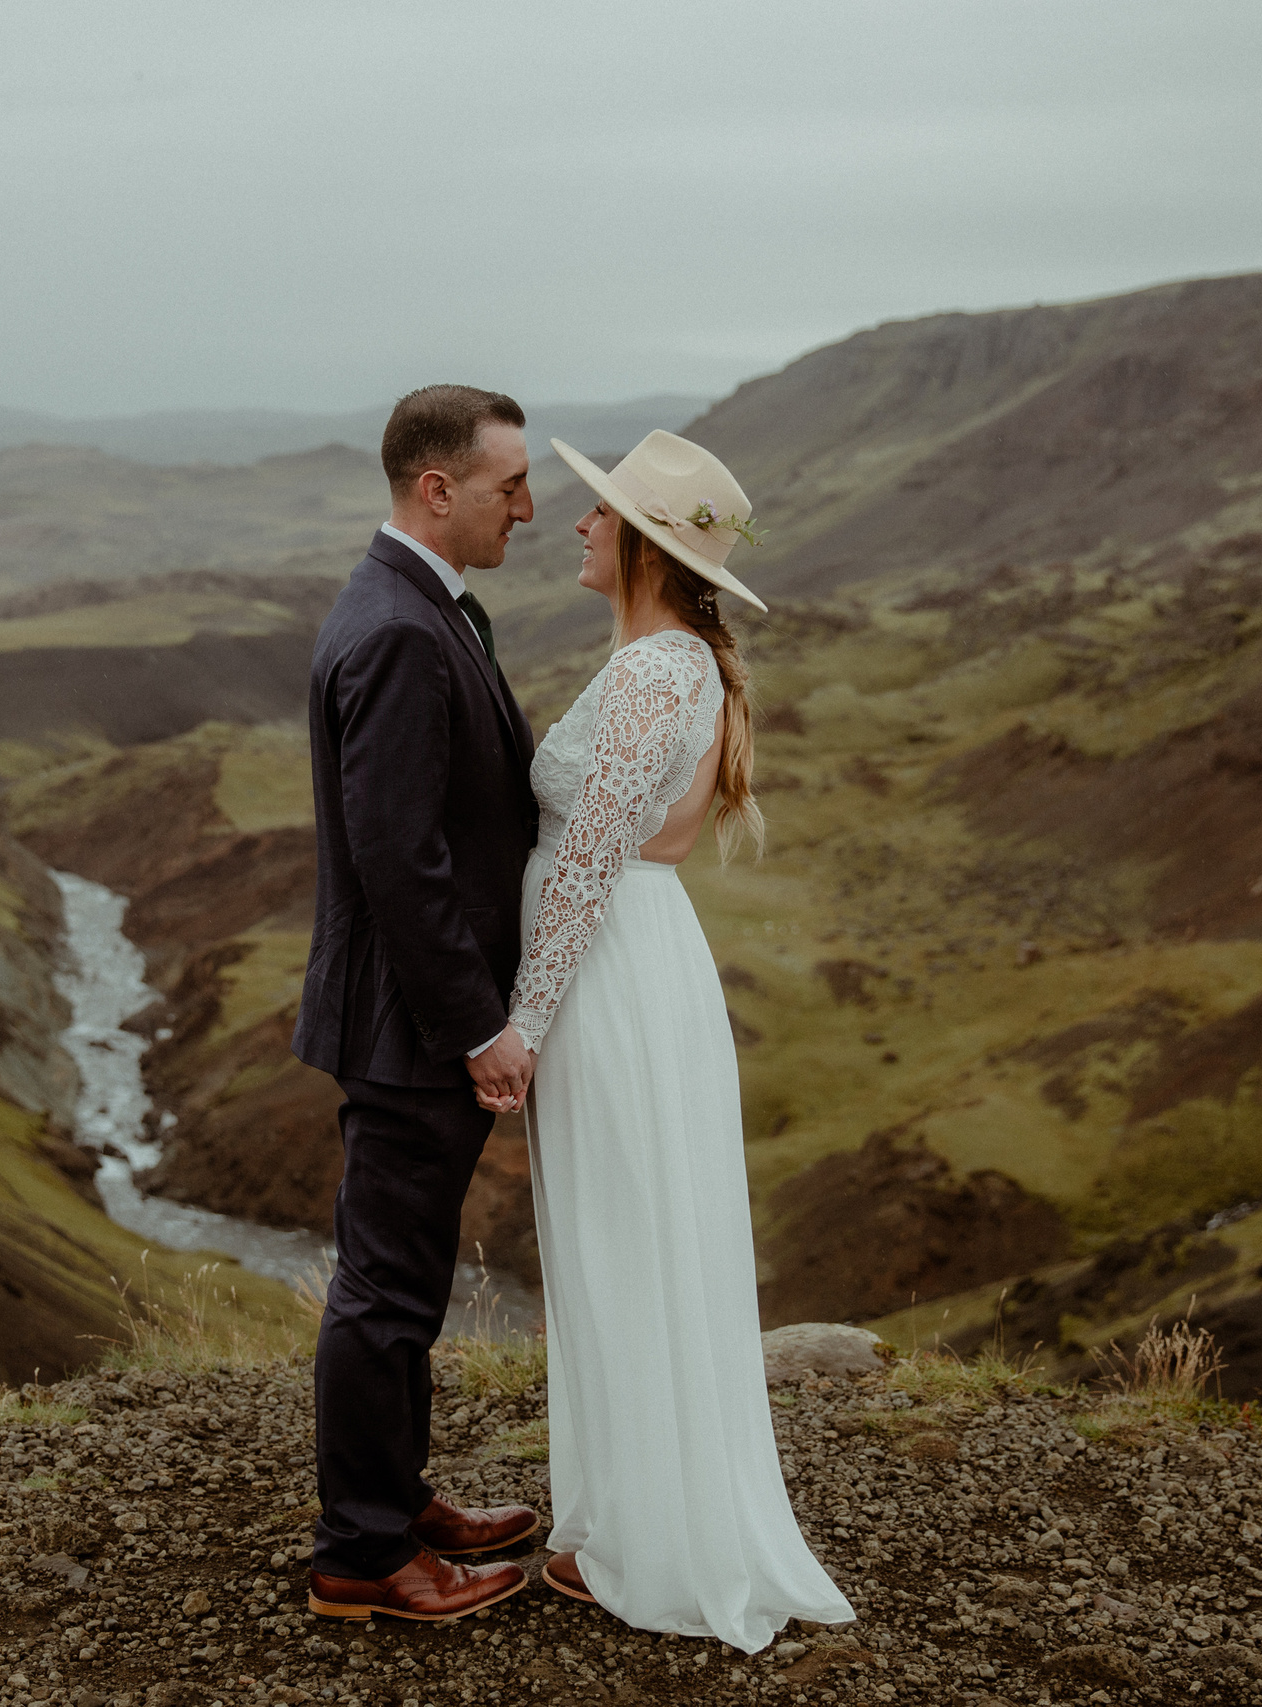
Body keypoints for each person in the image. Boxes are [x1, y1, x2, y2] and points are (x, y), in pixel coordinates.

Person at [501, 430, 854, 1650]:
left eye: (603, 514)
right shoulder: (673, 662)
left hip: (612, 980)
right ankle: (621, 1515)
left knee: (624, 1244)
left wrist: (523, 1024)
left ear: (644, 544)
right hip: (631, 967)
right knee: (625, 1241)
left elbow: (590, 855)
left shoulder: (659, 672)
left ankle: (649, 1544)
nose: (581, 524)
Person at [292, 384, 546, 1622]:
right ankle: (362, 1557)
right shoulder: (398, 629)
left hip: (405, 1019)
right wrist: (477, 1027)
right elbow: (399, 855)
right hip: (409, 1028)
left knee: (404, 1281)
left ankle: (395, 1500)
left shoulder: (416, 603)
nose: (530, 508)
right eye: (510, 486)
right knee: (386, 1290)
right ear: (435, 489)